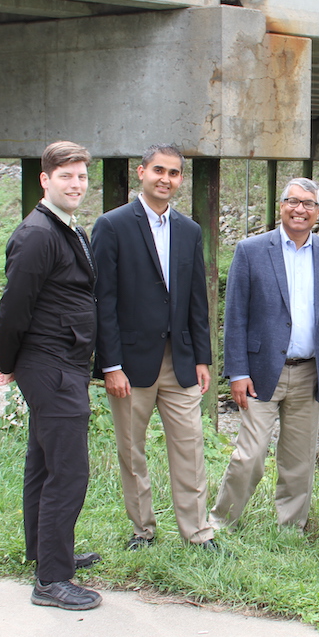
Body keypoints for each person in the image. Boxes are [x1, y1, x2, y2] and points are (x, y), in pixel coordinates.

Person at [91, 144, 220, 551]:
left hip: (179, 361)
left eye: (174, 173)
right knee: (132, 451)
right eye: (158, 170)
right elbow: (103, 300)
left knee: (190, 448)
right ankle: (142, 530)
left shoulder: (189, 230)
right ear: (141, 172)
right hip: (130, 364)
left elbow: (197, 300)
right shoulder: (112, 226)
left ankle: (198, 533)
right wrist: (110, 364)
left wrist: (202, 357)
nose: (166, 179)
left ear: (180, 179)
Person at [0, 140, 102, 610]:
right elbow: (13, 308)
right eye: (66, 177)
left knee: (43, 462)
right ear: (45, 180)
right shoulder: (38, 234)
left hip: (63, 362)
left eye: (81, 177)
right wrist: (8, 361)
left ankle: (44, 552)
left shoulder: (66, 229)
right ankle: (52, 580)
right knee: (69, 471)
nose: (75, 185)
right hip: (51, 365)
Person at [211, 178, 319, 531]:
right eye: (293, 201)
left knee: (299, 460)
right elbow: (236, 315)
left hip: (310, 374)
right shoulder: (251, 250)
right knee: (249, 455)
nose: (300, 209)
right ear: (281, 206)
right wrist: (236, 371)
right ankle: (221, 523)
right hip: (259, 372)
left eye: (308, 204)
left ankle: (291, 529)